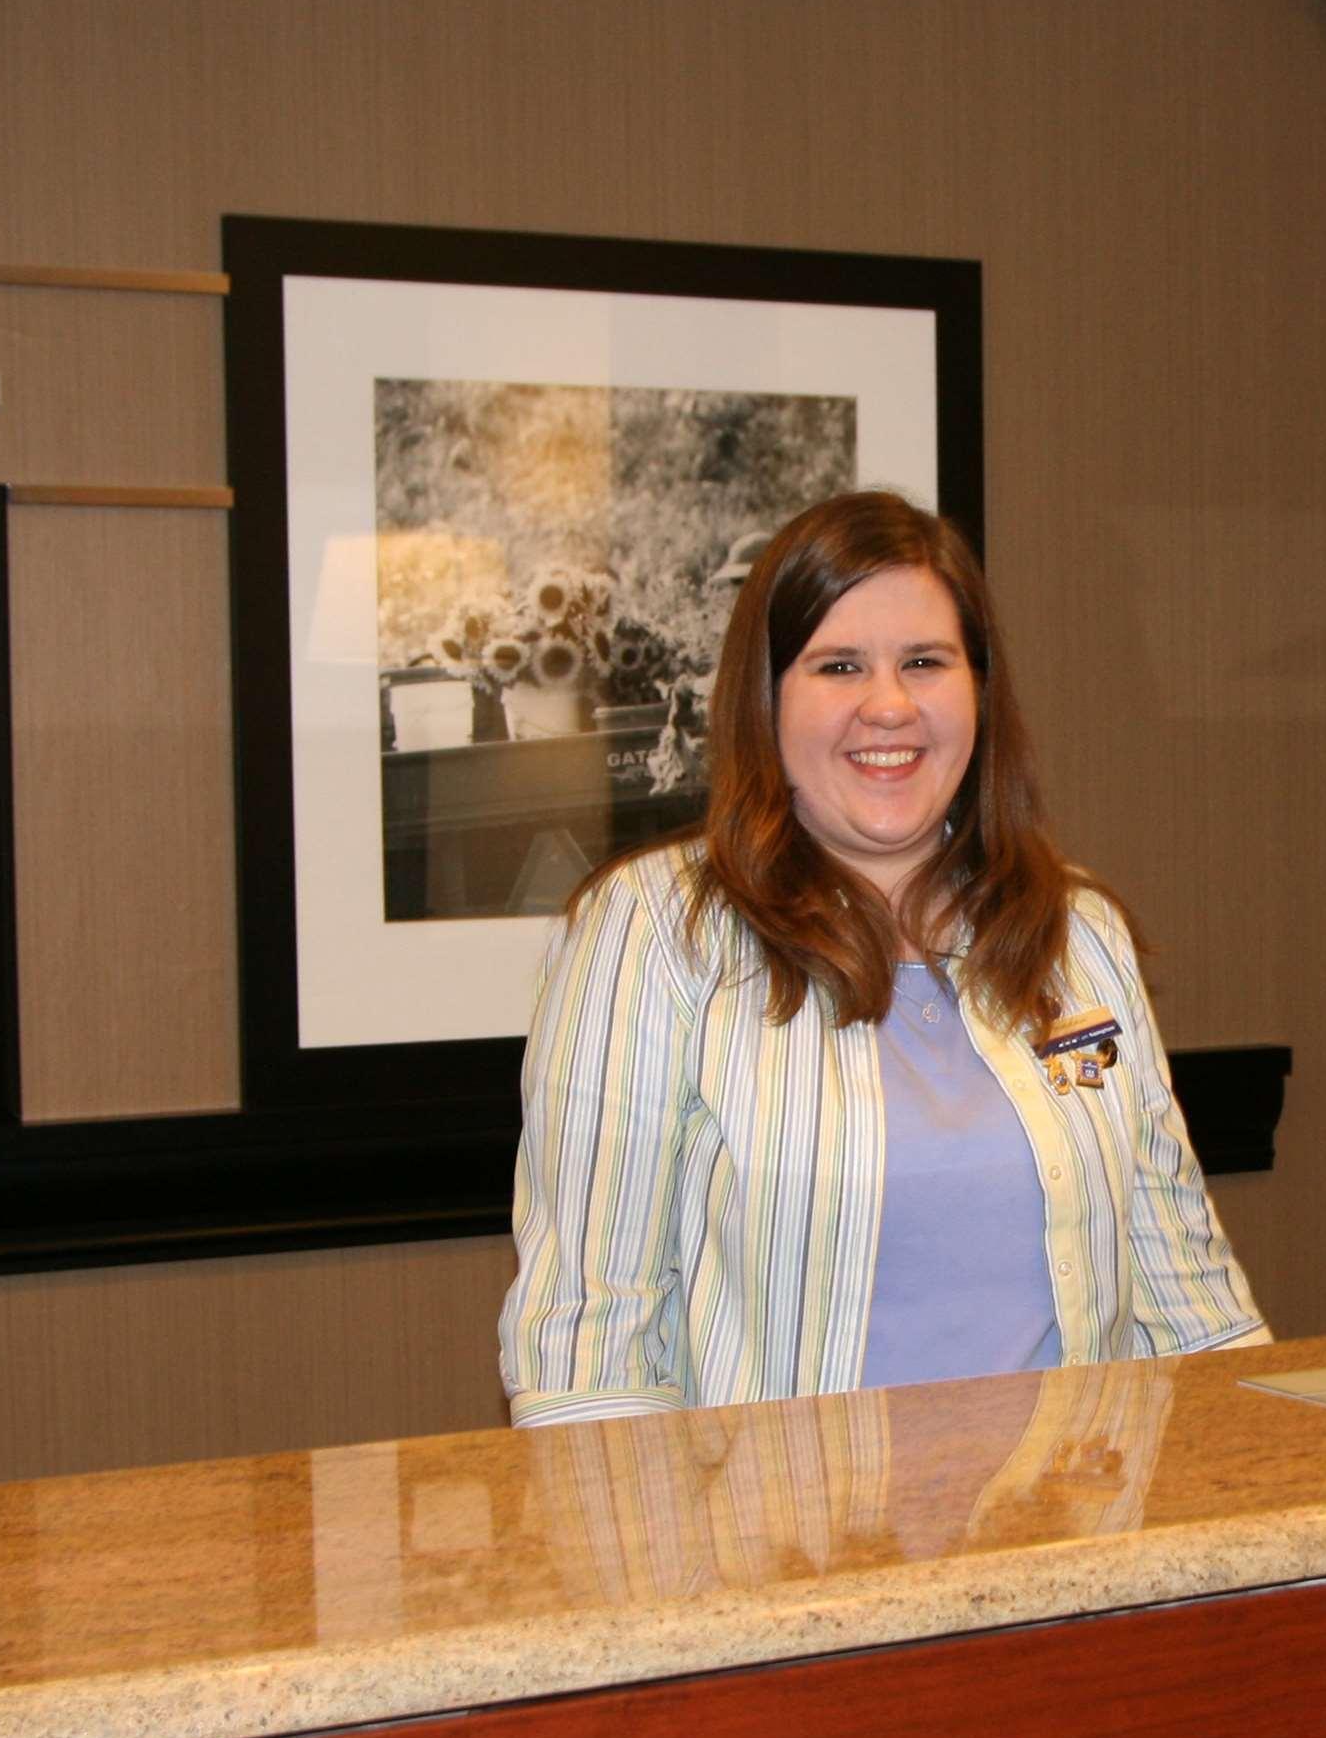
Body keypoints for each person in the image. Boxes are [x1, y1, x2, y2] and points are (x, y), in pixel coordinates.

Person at [499, 492, 1266, 1426]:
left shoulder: (1077, 931)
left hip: (1076, 1546)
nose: (890, 705)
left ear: (978, 690)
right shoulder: (655, 932)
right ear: (767, 699)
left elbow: (1189, 1295)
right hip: (788, 1555)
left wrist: (1262, 1501)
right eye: (839, 666)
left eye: (925, 663)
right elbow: (587, 1333)